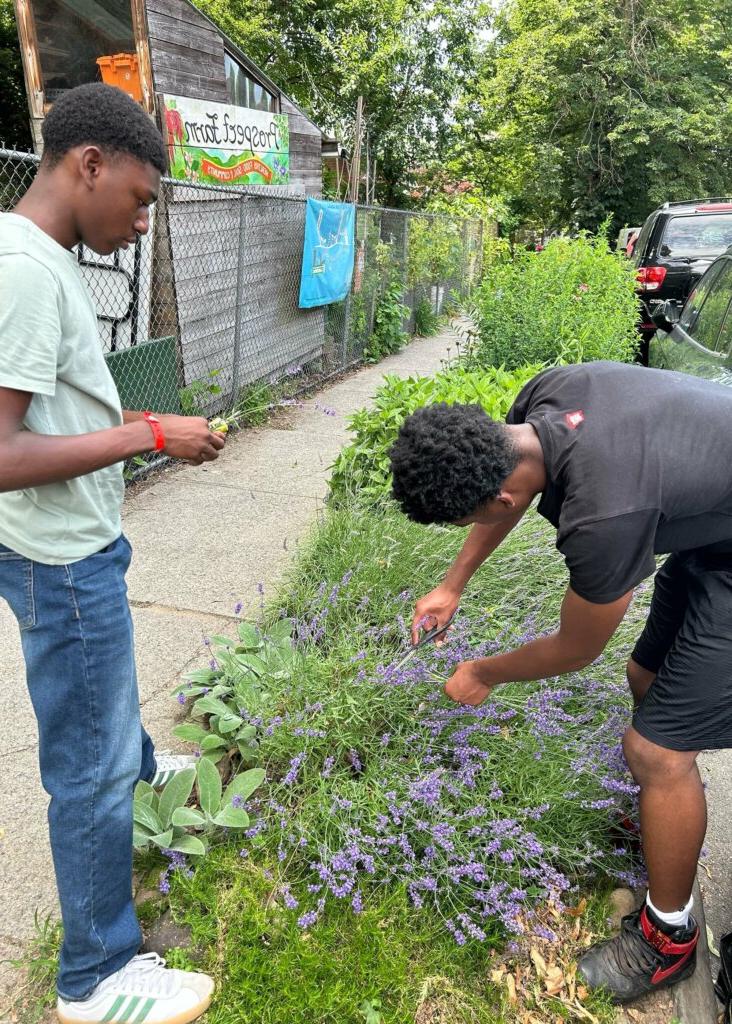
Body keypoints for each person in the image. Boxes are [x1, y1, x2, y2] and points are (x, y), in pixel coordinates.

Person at [388, 359, 732, 1004]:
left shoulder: (603, 516)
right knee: (644, 675)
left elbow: (578, 649)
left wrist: (481, 672)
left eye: (471, 519)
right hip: (714, 529)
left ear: (496, 500)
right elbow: (507, 489)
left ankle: (669, 940)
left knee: (656, 750)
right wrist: (452, 582)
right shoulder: (556, 389)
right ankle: (663, 818)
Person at [0, 84, 226, 1024]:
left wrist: (136, 428)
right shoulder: (23, 271)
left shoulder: (37, 258)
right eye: (137, 199)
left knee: (106, 704)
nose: (141, 222)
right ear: (87, 165)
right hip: (60, 561)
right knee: (84, 768)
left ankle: (138, 765)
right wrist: (149, 437)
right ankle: (95, 975)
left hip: (69, 544)